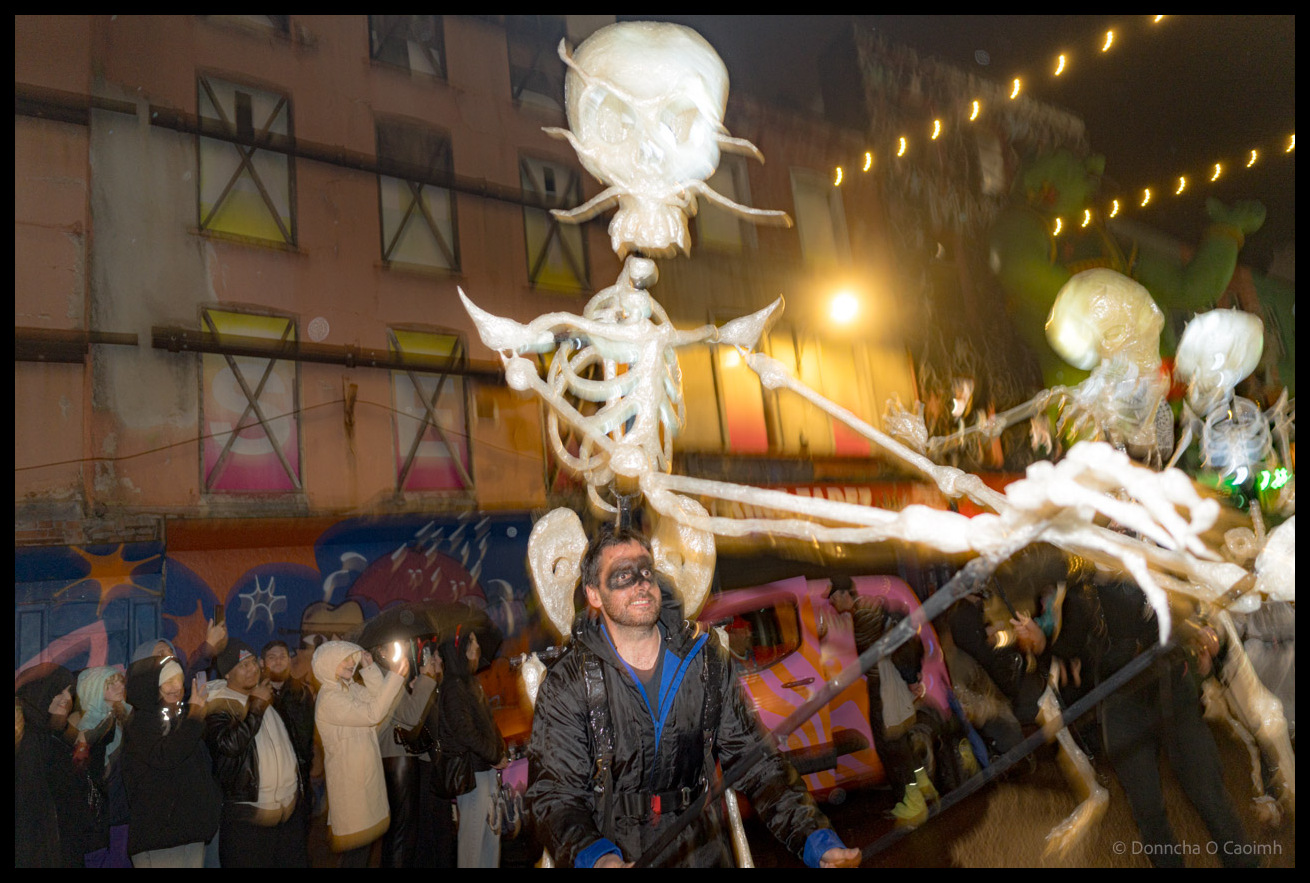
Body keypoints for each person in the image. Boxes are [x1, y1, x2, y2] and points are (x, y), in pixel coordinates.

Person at [526, 523, 862, 868]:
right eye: (623, 576)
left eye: (646, 571)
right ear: (594, 594)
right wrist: (597, 857)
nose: (642, 583)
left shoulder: (703, 661)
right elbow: (554, 794)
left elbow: (755, 763)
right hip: (615, 848)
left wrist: (815, 838)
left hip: (701, 849)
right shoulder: (570, 682)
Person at [1038, 572, 1258, 868]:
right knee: (1147, 809)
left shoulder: (1156, 563)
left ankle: (1244, 864)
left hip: (1173, 693)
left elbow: (1194, 610)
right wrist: (1040, 643)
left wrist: (1207, 635)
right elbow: (1067, 647)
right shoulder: (1081, 594)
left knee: (1208, 791)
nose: (1116, 527)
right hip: (1122, 707)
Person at [827, 578, 937, 826]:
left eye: (834, 597)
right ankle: (924, 786)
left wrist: (909, 679)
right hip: (893, 682)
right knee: (901, 738)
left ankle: (912, 804)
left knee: (889, 745)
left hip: (884, 687)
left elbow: (874, 658)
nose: (832, 603)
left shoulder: (863, 615)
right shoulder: (869, 609)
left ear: (845, 593)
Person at [204, 640, 309, 867]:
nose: (252, 668)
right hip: (248, 820)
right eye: (243, 665)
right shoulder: (218, 706)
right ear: (228, 674)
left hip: (287, 815)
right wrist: (257, 707)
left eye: (253, 662)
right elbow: (230, 745)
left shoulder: (265, 696)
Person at [312, 639, 408, 867]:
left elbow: (379, 700)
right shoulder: (330, 698)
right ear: (327, 664)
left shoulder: (349, 688)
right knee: (355, 857)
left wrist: (369, 667)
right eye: (343, 659)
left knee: (363, 855)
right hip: (350, 787)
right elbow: (373, 714)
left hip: (363, 781)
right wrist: (396, 676)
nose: (349, 663)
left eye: (351, 657)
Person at [120, 654, 221, 867]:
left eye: (179, 679)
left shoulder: (179, 716)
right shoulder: (141, 722)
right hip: (161, 837)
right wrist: (194, 718)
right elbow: (164, 756)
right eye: (167, 681)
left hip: (189, 831)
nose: (176, 686)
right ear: (151, 686)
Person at [437, 627, 509, 868]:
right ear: (463, 649)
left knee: (491, 835)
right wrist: (494, 755)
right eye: (474, 642)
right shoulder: (453, 687)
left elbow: (487, 723)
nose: (478, 647)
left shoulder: (470, 682)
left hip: (485, 770)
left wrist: (501, 751)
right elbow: (466, 732)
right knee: (472, 841)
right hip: (473, 775)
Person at [375, 640, 440, 868]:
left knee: (399, 833)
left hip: (396, 758)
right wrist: (428, 679)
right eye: (393, 646)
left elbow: (400, 713)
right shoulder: (384, 676)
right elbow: (410, 717)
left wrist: (413, 689)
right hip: (397, 759)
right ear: (380, 651)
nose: (400, 649)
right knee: (402, 833)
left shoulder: (388, 676)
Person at [73, 665, 133, 867]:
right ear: (94, 689)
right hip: (104, 816)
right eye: (110, 683)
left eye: (119, 680)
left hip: (124, 809)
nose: (119, 686)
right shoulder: (88, 727)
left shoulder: (126, 715)